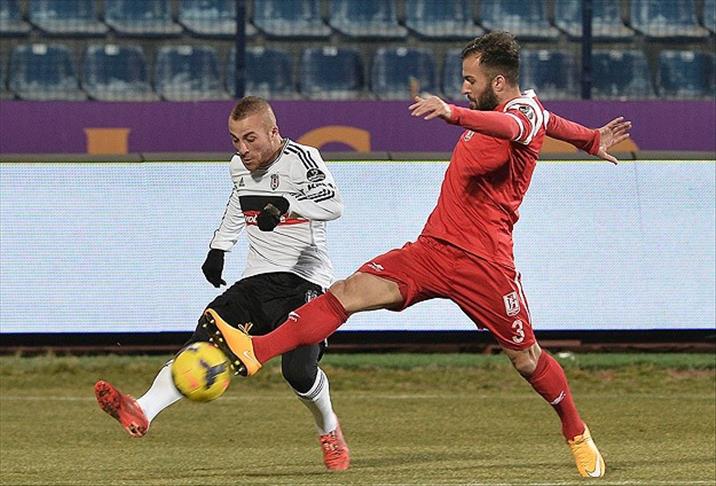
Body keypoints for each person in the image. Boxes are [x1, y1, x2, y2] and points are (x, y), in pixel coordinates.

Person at [203, 33, 632, 479]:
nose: (464, 87)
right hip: (432, 250)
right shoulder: (519, 112)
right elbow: (553, 123)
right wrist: (590, 139)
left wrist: (452, 113)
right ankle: (256, 350)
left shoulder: (519, 114)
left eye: (471, 80)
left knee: (526, 359)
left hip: (485, 266)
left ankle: (576, 432)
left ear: (499, 82)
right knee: (346, 291)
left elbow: (518, 127)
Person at [94, 96, 351, 471]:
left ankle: (329, 429)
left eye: (250, 139)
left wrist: (285, 205)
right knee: (207, 336)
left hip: (304, 281)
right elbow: (238, 202)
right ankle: (143, 409)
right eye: (235, 140)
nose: (242, 149)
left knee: (299, 372)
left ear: (273, 132)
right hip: (257, 281)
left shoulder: (303, 158)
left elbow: (333, 204)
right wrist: (219, 247)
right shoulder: (238, 167)